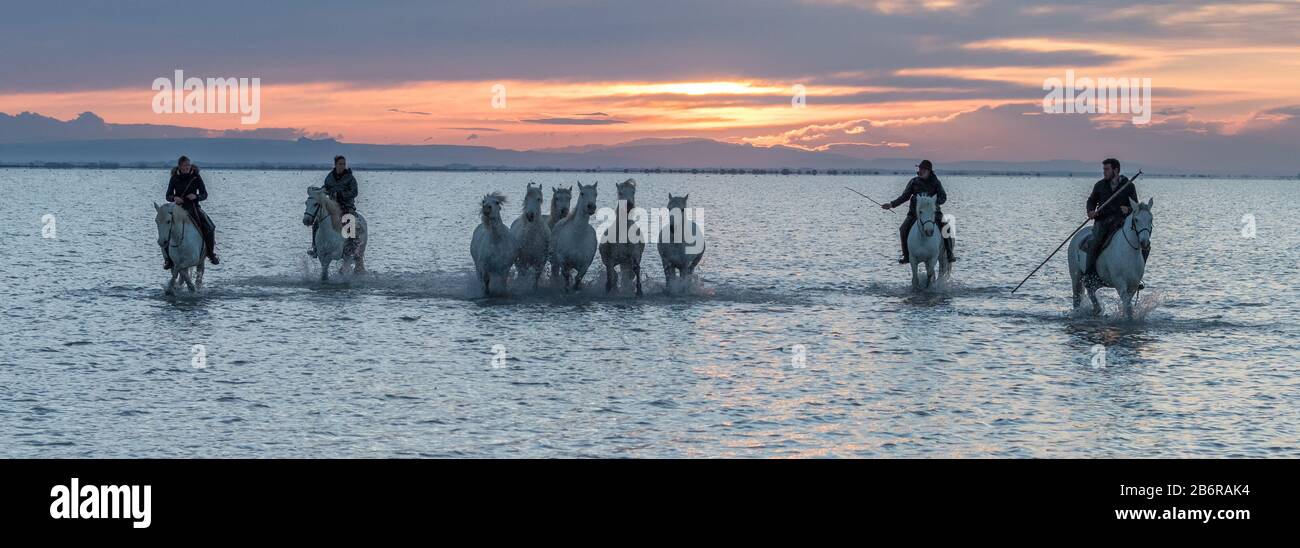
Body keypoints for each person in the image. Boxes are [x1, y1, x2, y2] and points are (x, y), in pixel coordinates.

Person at [881, 159, 955, 264]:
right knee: (903, 229)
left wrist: (932, 203)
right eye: (919, 169)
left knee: (946, 228)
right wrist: (891, 204)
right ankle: (906, 255)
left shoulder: (936, 182)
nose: (920, 171)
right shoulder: (914, 182)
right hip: (914, 214)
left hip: (933, 213)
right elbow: (904, 197)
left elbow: (943, 197)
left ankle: (949, 253)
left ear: (929, 171)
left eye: (923, 169)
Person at [1084, 158, 1142, 285]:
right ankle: (1089, 275)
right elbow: (1091, 201)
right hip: (1103, 222)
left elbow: (1135, 206)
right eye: (1103, 169)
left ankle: (1137, 276)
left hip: (1121, 222)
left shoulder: (1128, 186)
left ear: (1115, 170)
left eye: (1107, 169)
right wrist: (1091, 211)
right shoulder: (1099, 185)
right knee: (1095, 242)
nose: (1104, 172)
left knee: (1144, 244)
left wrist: (1129, 208)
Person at [163, 156, 218, 269]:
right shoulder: (174, 178)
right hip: (178, 208)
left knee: (210, 227)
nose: (186, 167)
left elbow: (204, 194)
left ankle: (211, 254)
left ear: (190, 166)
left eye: (188, 165)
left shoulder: (196, 177)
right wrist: (174, 198)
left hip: (193, 208)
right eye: (184, 166)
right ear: (179, 166)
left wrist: (196, 196)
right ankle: (168, 259)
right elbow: (168, 195)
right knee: (165, 229)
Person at [310, 155, 359, 257]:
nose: (342, 166)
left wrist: (341, 194)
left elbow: (354, 192)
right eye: (340, 164)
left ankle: (352, 245)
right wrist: (320, 192)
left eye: (344, 164)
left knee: (350, 218)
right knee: (317, 222)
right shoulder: (329, 177)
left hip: (346, 205)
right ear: (335, 165)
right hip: (332, 205)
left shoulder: (350, 178)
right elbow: (326, 188)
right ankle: (315, 247)